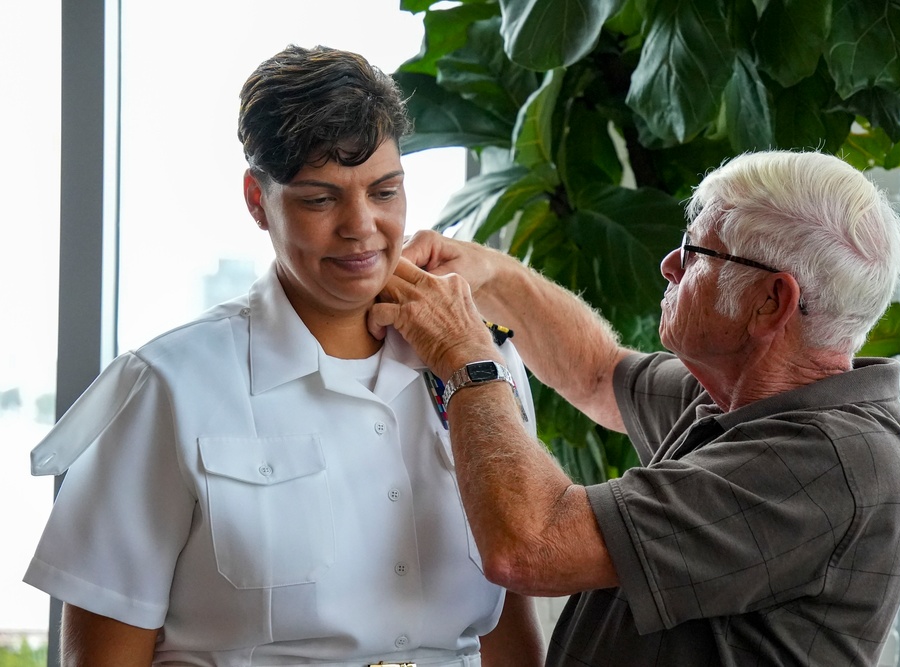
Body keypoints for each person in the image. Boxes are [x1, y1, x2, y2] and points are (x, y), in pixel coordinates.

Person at [24, 45, 544, 666]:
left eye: (384, 191)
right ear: (256, 200)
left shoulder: (482, 367)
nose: (361, 226)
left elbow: (510, 608)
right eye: (320, 200)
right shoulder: (169, 386)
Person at [369, 150, 900, 666]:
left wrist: (466, 355)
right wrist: (492, 273)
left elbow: (532, 545)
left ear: (770, 302)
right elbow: (596, 372)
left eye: (695, 251)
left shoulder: (828, 460)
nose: (668, 264)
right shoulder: (745, 397)